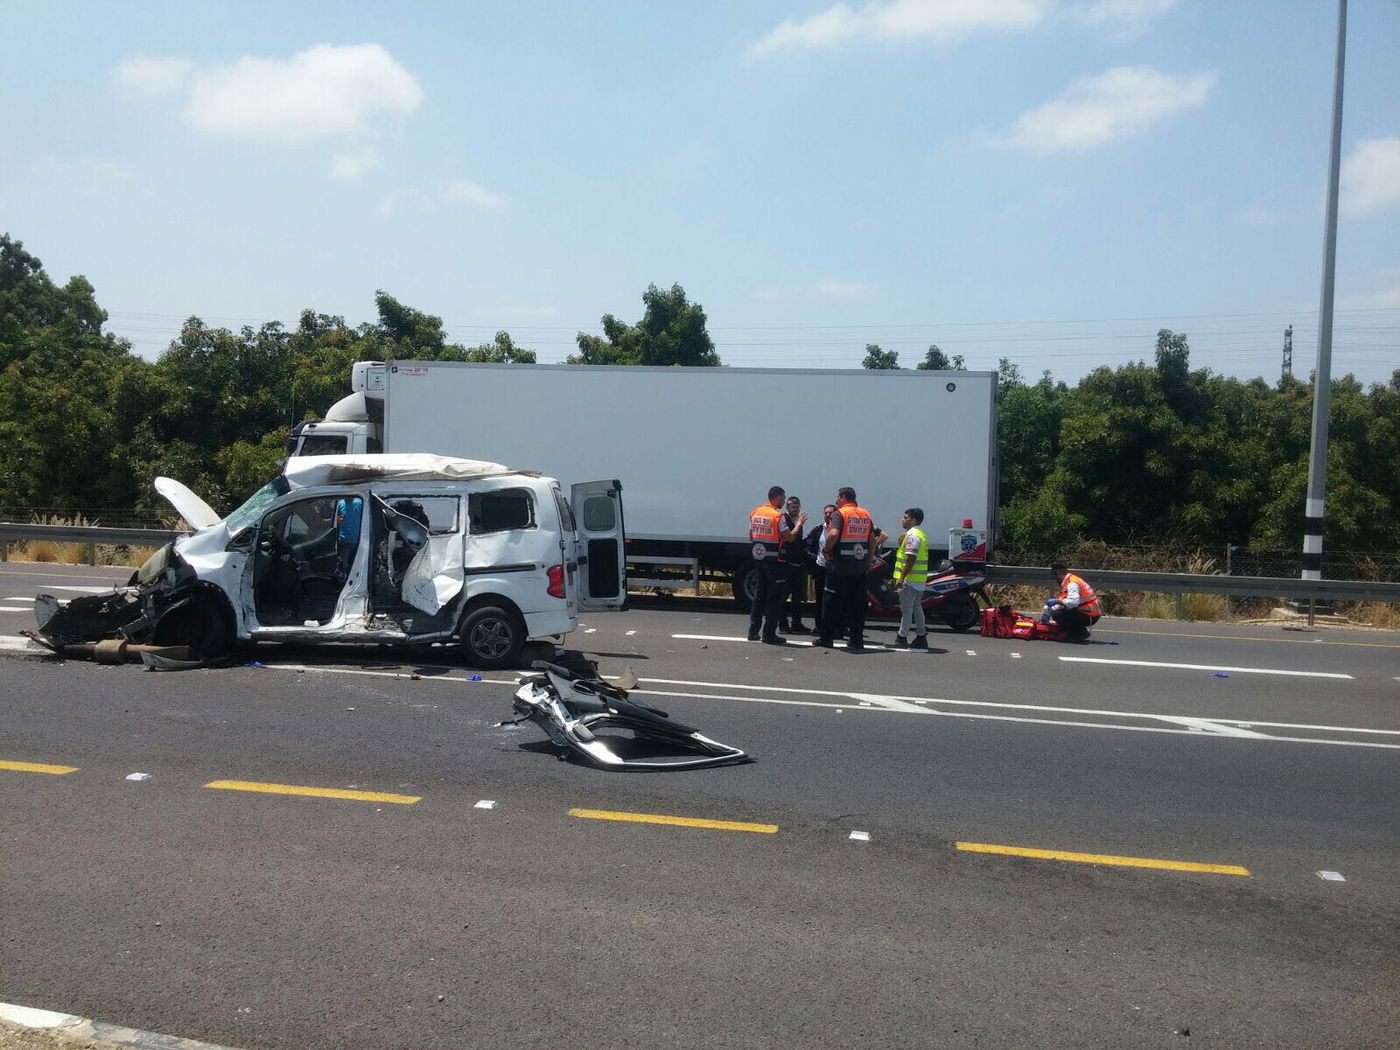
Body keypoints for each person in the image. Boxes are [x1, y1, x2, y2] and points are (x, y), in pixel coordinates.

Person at [816, 487, 885, 653]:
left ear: (843, 497)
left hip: (839, 567)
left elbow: (833, 535)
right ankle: (856, 640)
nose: (836, 500)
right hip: (859, 568)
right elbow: (871, 540)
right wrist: (868, 561)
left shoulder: (840, 514)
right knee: (857, 606)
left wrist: (826, 550)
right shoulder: (865, 514)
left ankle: (826, 639)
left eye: (838, 496)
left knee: (831, 603)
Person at [748, 486, 805, 645]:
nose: (784, 501)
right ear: (777, 497)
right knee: (774, 599)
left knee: (759, 597)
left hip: (760, 560)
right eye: (783, 498)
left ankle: (753, 632)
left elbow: (751, 535)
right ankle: (769, 634)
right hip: (776, 562)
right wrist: (799, 524)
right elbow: (790, 537)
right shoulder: (777, 516)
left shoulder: (755, 513)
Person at [891, 507, 930, 649]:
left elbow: (910, 558)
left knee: (906, 609)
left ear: (913, 520)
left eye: (905, 517)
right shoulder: (920, 534)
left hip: (910, 580)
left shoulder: (913, 536)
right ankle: (921, 636)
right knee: (917, 608)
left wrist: (901, 578)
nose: (903, 519)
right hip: (919, 580)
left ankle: (902, 637)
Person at [1040, 563, 1101, 642]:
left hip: (1089, 615)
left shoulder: (1072, 584)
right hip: (1085, 612)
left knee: (1057, 614)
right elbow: (1064, 602)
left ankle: (1079, 634)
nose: (1054, 579)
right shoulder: (1068, 581)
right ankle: (1077, 631)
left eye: (1054, 576)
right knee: (1056, 611)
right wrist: (1046, 612)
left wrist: (1056, 601)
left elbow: (1073, 602)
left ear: (1058, 573)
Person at [779, 495, 812, 634]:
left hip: (798, 561)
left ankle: (796, 623)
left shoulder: (798, 520)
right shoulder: (784, 519)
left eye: (798, 507)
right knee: (783, 595)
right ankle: (783, 624)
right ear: (787, 507)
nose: (796, 510)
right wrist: (798, 524)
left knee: (798, 595)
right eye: (793, 507)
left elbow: (798, 541)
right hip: (786, 563)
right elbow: (790, 538)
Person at [806, 504, 836, 639]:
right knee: (820, 599)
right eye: (826, 513)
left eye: (830, 513)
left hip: (834, 569)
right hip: (820, 567)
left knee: (833, 600)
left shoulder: (838, 529)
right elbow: (807, 544)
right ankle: (819, 626)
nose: (828, 515)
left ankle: (835, 628)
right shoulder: (819, 529)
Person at [335, 495, 363, 576]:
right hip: (344, 541)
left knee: (357, 566)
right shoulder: (340, 504)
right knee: (343, 566)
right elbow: (339, 520)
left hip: (360, 541)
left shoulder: (360, 502)